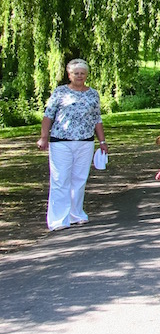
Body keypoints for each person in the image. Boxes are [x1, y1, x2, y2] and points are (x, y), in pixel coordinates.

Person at [37, 59, 108, 231]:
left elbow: (96, 119)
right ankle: (58, 220)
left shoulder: (93, 94)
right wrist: (43, 137)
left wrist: (102, 141)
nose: (79, 76)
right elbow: (48, 116)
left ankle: (76, 214)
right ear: (69, 75)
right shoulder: (60, 92)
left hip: (85, 141)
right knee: (60, 179)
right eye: (76, 73)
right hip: (61, 141)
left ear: (86, 75)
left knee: (79, 179)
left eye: (82, 73)